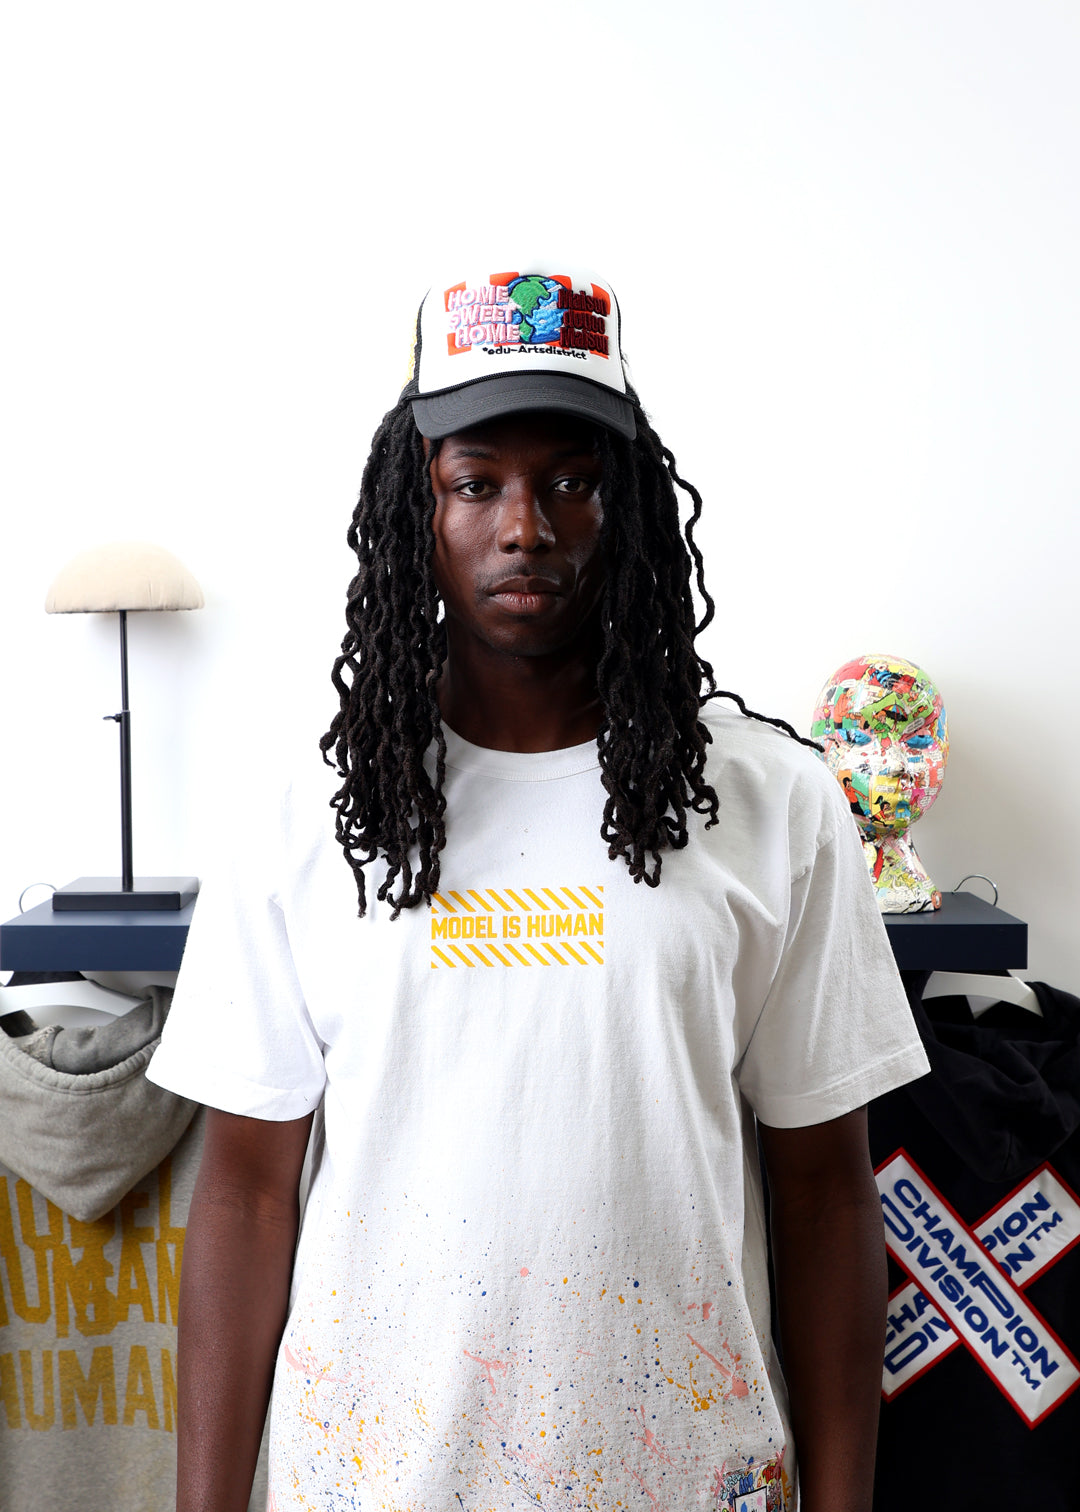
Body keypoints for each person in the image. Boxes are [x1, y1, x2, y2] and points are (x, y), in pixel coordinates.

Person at [148, 264, 929, 1512]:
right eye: (478, 484)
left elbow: (826, 1189)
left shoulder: (776, 803)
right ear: (421, 508)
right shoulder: (306, 811)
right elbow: (244, 1190)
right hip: (372, 1479)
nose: (527, 526)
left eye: (572, 480)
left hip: (684, 1475)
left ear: (631, 508)